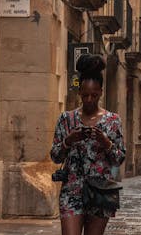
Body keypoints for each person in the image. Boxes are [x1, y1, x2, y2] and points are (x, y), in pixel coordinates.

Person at [50, 54, 126, 235]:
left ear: (101, 91)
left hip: (100, 192)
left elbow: (119, 159)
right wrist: (69, 140)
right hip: (71, 190)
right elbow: (54, 156)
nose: (89, 99)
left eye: (94, 95)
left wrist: (106, 142)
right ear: (79, 93)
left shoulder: (113, 120)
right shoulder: (66, 119)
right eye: (85, 95)